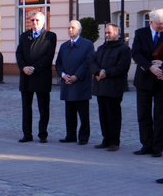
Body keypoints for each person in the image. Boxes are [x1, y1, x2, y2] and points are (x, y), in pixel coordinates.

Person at [15, 11, 57, 143]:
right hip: (26, 76)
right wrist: (23, 67)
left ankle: (42, 134)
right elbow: (19, 53)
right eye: (32, 20)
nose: (34, 22)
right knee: (26, 107)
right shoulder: (24, 36)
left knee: (43, 107)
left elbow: (48, 56)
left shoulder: (50, 36)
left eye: (37, 20)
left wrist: (34, 68)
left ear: (43, 22)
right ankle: (27, 134)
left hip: (41, 75)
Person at [90, 23, 131, 151]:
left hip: (114, 87)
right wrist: (97, 71)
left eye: (109, 32)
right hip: (100, 86)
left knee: (113, 115)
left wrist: (106, 72)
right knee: (103, 114)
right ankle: (106, 139)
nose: (107, 35)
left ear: (117, 33)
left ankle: (114, 141)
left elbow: (122, 67)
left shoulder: (124, 49)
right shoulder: (102, 48)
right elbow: (92, 61)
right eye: (106, 33)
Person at [55, 20, 94, 145]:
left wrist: (76, 76)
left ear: (79, 30)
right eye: (68, 28)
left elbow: (88, 62)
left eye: (73, 27)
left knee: (83, 113)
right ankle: (70, 135)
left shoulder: (87, 44)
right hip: (67, 83)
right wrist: (63, 75)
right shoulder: (64, 46)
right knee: (69, 112)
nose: (70, 30)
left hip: (81, 83)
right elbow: (58, 63)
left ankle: (83, 137)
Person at [132, 9, 163, 157]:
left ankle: (158, 147)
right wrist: (150, 67)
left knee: (160, 115)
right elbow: (136, 54)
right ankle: (146, 144)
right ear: (152, 22)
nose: (162, 26)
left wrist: (161, 64)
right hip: (144, 79)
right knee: (143, 114)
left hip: (161, 80)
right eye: (159, 24)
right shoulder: (140, 33)